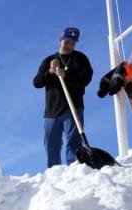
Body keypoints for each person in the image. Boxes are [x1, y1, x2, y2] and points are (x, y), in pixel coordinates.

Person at [33, 27, 93, 168]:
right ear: (60, 41)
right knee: (51, 144)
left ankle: (74, 168)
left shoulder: (80, 59)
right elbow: (37, 83)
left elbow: (85, 80)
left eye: (72, 43)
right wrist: (50, 72)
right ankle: (54, 172)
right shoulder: (49, 60)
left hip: (73, 107)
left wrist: (66, 75)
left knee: (74, 142)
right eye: (66, 42)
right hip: (52, 111)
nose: (69, 46)